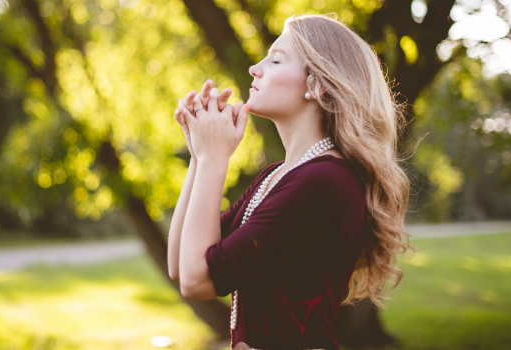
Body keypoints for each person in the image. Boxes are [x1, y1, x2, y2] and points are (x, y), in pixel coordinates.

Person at [167, 14, 411, 350]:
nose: (256, 67)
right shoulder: (278, 175)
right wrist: (199, 155)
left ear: (317, 85)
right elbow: (181, 264)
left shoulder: (324, 182)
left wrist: (214, 158)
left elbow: (198, 280)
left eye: (276, 59)